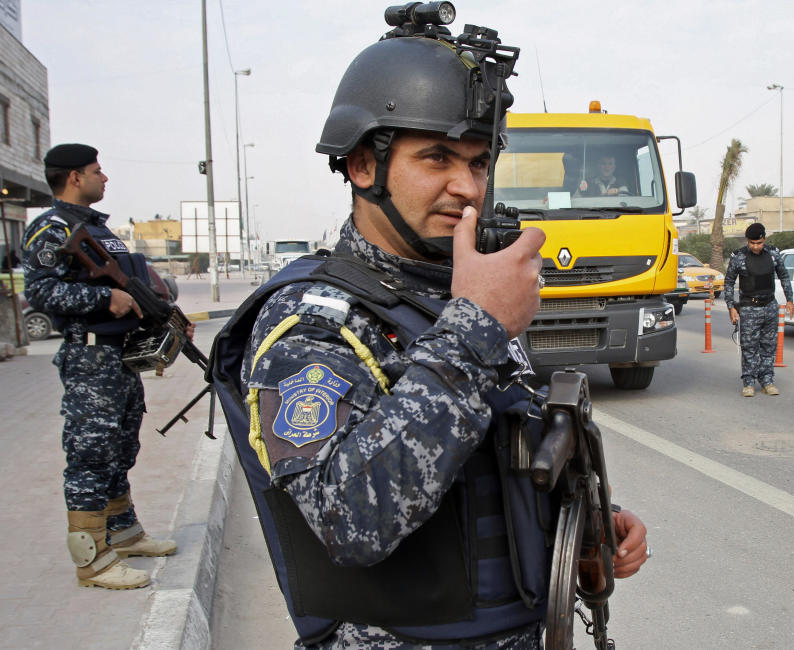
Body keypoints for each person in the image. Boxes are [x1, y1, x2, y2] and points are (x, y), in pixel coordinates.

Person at [237, 15, 649, 649]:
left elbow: (493, 459)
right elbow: (346, 521)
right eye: (436, 158)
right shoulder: (312, 320)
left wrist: (587, 524)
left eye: (479, 162)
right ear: (362, 165)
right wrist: (476, 327)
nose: (467, 188)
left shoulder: (456, 297)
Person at [21, 144, 181, 590]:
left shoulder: (96, 230)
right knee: (91, 454)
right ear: (74, 177)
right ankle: (92, 559)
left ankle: (124, 533)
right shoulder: (50, 229)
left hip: (117, 355)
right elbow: (41, 293)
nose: (104, 177)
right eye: (97, 171)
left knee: (121, 446)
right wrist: (103, 299)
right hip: (89, 356)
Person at [723, 222, 794, 396]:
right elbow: (729, 282)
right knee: (749, 346)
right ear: (748, 241)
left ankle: (767, 381)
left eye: (759, 243)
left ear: (764, 239)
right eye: (752, 243)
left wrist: (790, 299)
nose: (755, 247)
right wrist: (731, 306)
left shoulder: (773, 255)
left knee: (769, 346)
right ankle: (748, 382)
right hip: (749, 307)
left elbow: (784, 276)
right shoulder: (739, 257)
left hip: (770, 306)